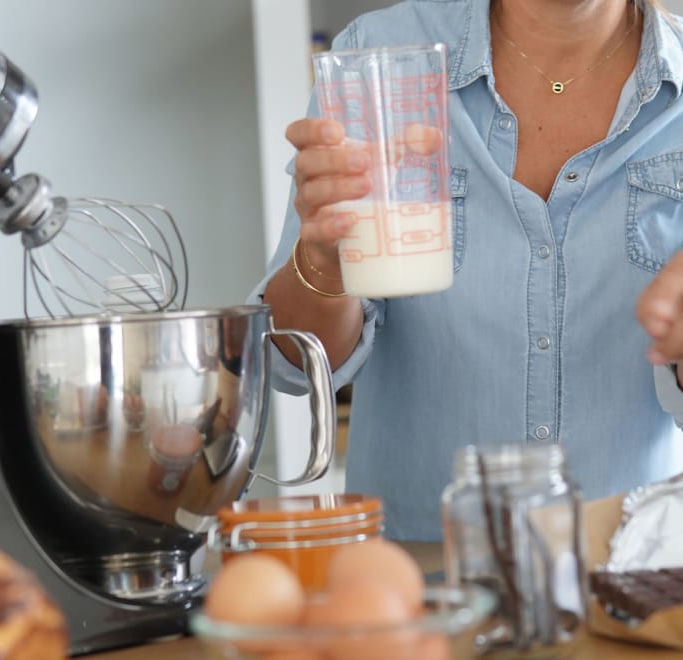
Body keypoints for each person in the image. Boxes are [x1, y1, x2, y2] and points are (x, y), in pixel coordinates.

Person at [252, 0, 683, 541]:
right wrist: (323, 265)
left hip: (631, 570)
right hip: (418, 574)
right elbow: (296, 363)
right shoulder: (377, 52)